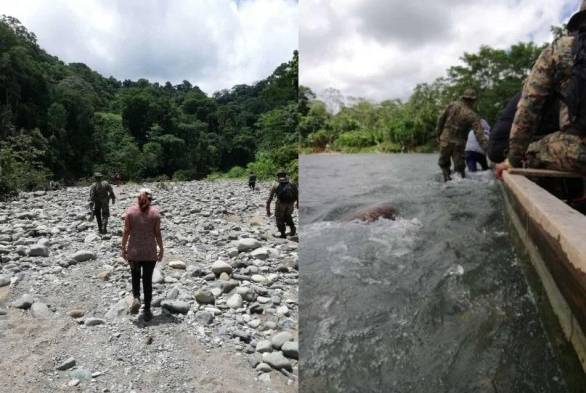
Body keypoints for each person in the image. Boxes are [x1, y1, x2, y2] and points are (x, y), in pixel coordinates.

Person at [496, 1, 586, 178]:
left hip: (579, 152)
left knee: (531, 150)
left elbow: (529, 108)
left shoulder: (561, 48)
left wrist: (513, 159)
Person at [121, 188, 163, 322]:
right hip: (150, 253)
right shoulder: (155, 213)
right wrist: (161, 249)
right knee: (147, 281)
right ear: (150, 200)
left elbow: (126, 232)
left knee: (135, 277)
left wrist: (123, 248)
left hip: (134, 253)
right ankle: (147, 310)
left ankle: (137, 297)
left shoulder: (130, 212)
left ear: (138, 199)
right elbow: (157, 234)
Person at [436, 88, 489, 181]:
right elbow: (480, 135)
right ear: (473, 101)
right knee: (459, 170)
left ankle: (446, 179)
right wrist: (488, 150)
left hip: (445, 139)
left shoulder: (451, 105)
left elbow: (441, 119)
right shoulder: (472, 115)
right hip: (459, 143)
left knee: (444, 165)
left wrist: (438, 134)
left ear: (463, 98)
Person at [266, 168, 298, 238]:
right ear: (285, 175)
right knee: (288, 216)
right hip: (291, 203)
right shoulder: (292, 182)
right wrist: (298, 203)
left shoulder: (275, 184)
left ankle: (283, 234)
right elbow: (297, 194)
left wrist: (268, 210)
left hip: (280, 204)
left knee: (279, 218)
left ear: (277, 176)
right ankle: (292, 228)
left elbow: (270, 198)